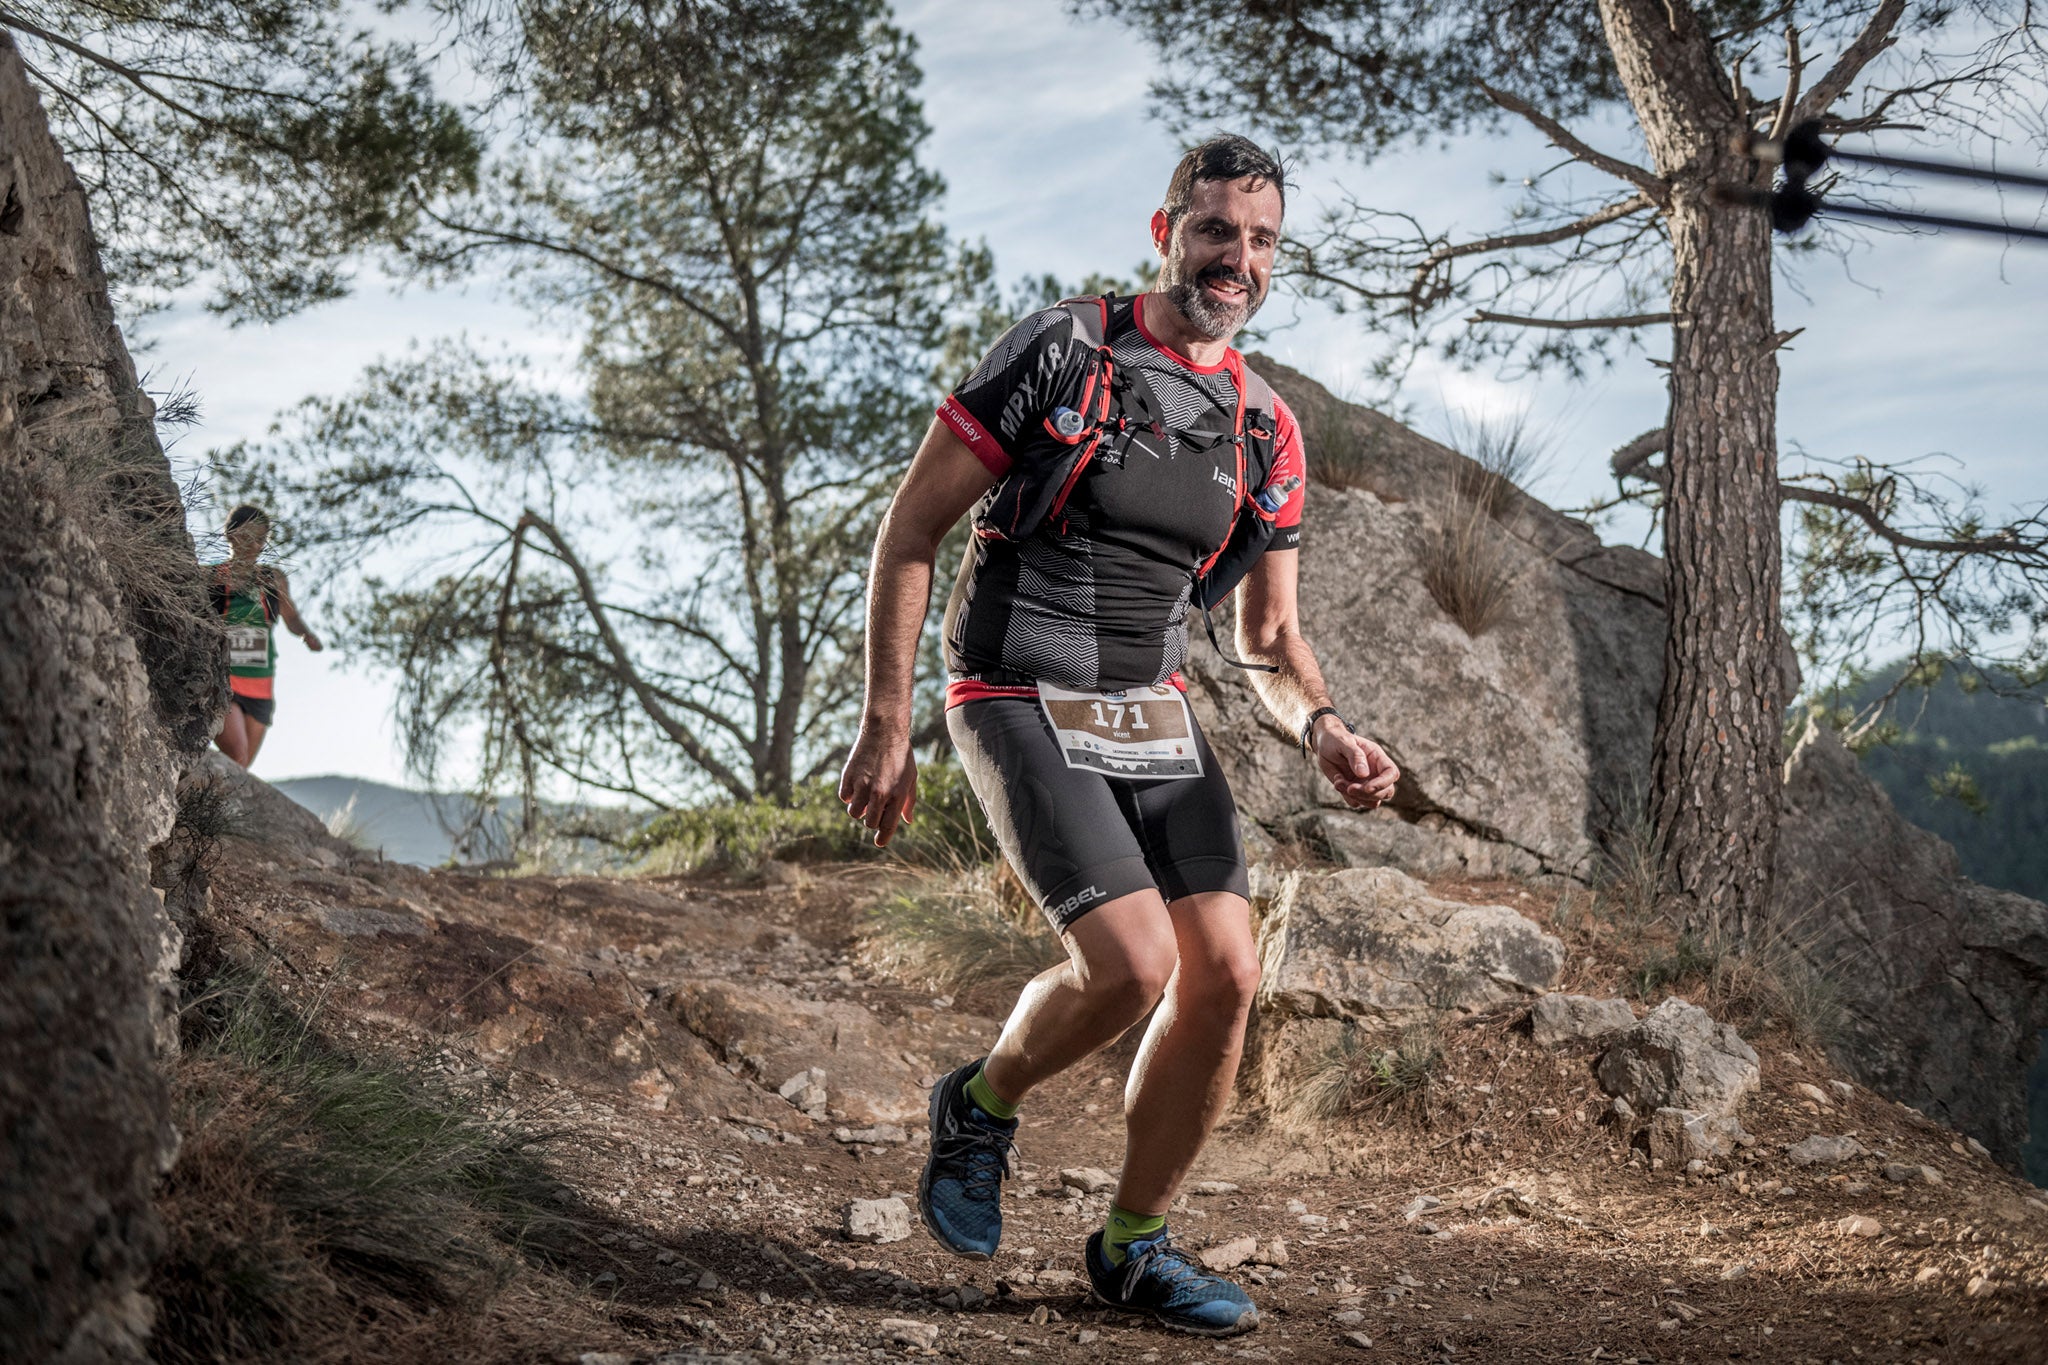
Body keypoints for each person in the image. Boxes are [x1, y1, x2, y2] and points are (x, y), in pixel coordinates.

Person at [839, 135, 1401, 1337]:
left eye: (1257, 242)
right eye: (1213, 232)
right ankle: (981, 1104)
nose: (1234, 259)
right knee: (1134, 964)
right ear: (1164, 233)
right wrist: (887, 721)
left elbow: (1270, 640)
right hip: (1010, 691)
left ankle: (1133, 1247)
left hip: (1150, 712)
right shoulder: (1062, 350)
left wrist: (1326, 728)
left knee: (1228, 977)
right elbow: (908, 535)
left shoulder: (1265, 430)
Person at [210, 505, 322, 768]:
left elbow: (291, 618)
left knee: (241, 768)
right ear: (231, 535)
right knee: (236, 754)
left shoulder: (273, 579)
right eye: (250, 536)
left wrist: (307, 634)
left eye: (262, 539)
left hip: (260, 686)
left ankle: (197, 803)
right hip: (224, 680)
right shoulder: (212, 577)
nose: (257, 545)